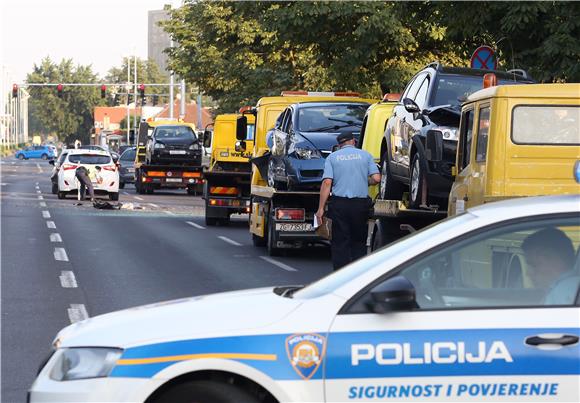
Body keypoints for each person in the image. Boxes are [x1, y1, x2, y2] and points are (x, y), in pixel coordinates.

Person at [316, 132, 381, 270]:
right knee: (358, 240)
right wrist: (365, 181)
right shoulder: (366, 155)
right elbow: (376, 178)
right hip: (360, 205)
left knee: (340, 241)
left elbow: (327, 182)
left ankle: (341, 274)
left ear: (339, 145)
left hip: (339, 204)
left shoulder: (332, 158)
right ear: (353, 141)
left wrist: (321, 208)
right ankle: (358, 273)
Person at [521, 227, 579, 305]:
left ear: (556, 262)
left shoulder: (565, 290)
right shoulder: (565, 289)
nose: (528, 273)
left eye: (534, 265)